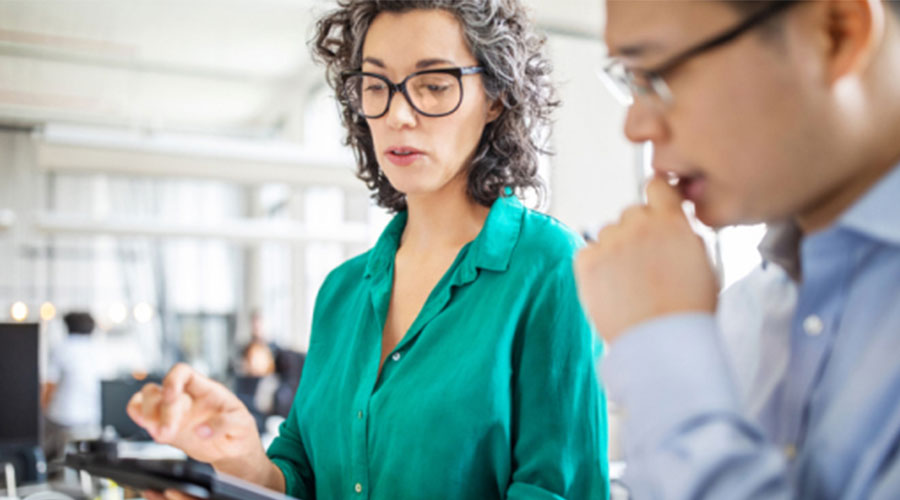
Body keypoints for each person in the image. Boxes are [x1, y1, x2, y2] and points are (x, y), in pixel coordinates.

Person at [128, 1, 609, 499]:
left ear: (495, 98)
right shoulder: (341, 292)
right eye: (377, 87)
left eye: (434, 85)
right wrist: (240, 460)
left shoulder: (551, 268)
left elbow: (561, 489)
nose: (398, 115)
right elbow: (301, 477)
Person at [575, 0, 900, 498]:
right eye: (630, 81)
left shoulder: (681, 336)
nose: (635, 128)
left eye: (658, 74)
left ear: (836, 33)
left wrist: (661, 347)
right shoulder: (749, 312)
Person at [42, 312, 106, 460]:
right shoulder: (98, 350)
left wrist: (41, 410)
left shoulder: (61, 348)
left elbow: (50, 385)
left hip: (62, 416)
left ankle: (46, 471)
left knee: (41, 440)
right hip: (91, 417)